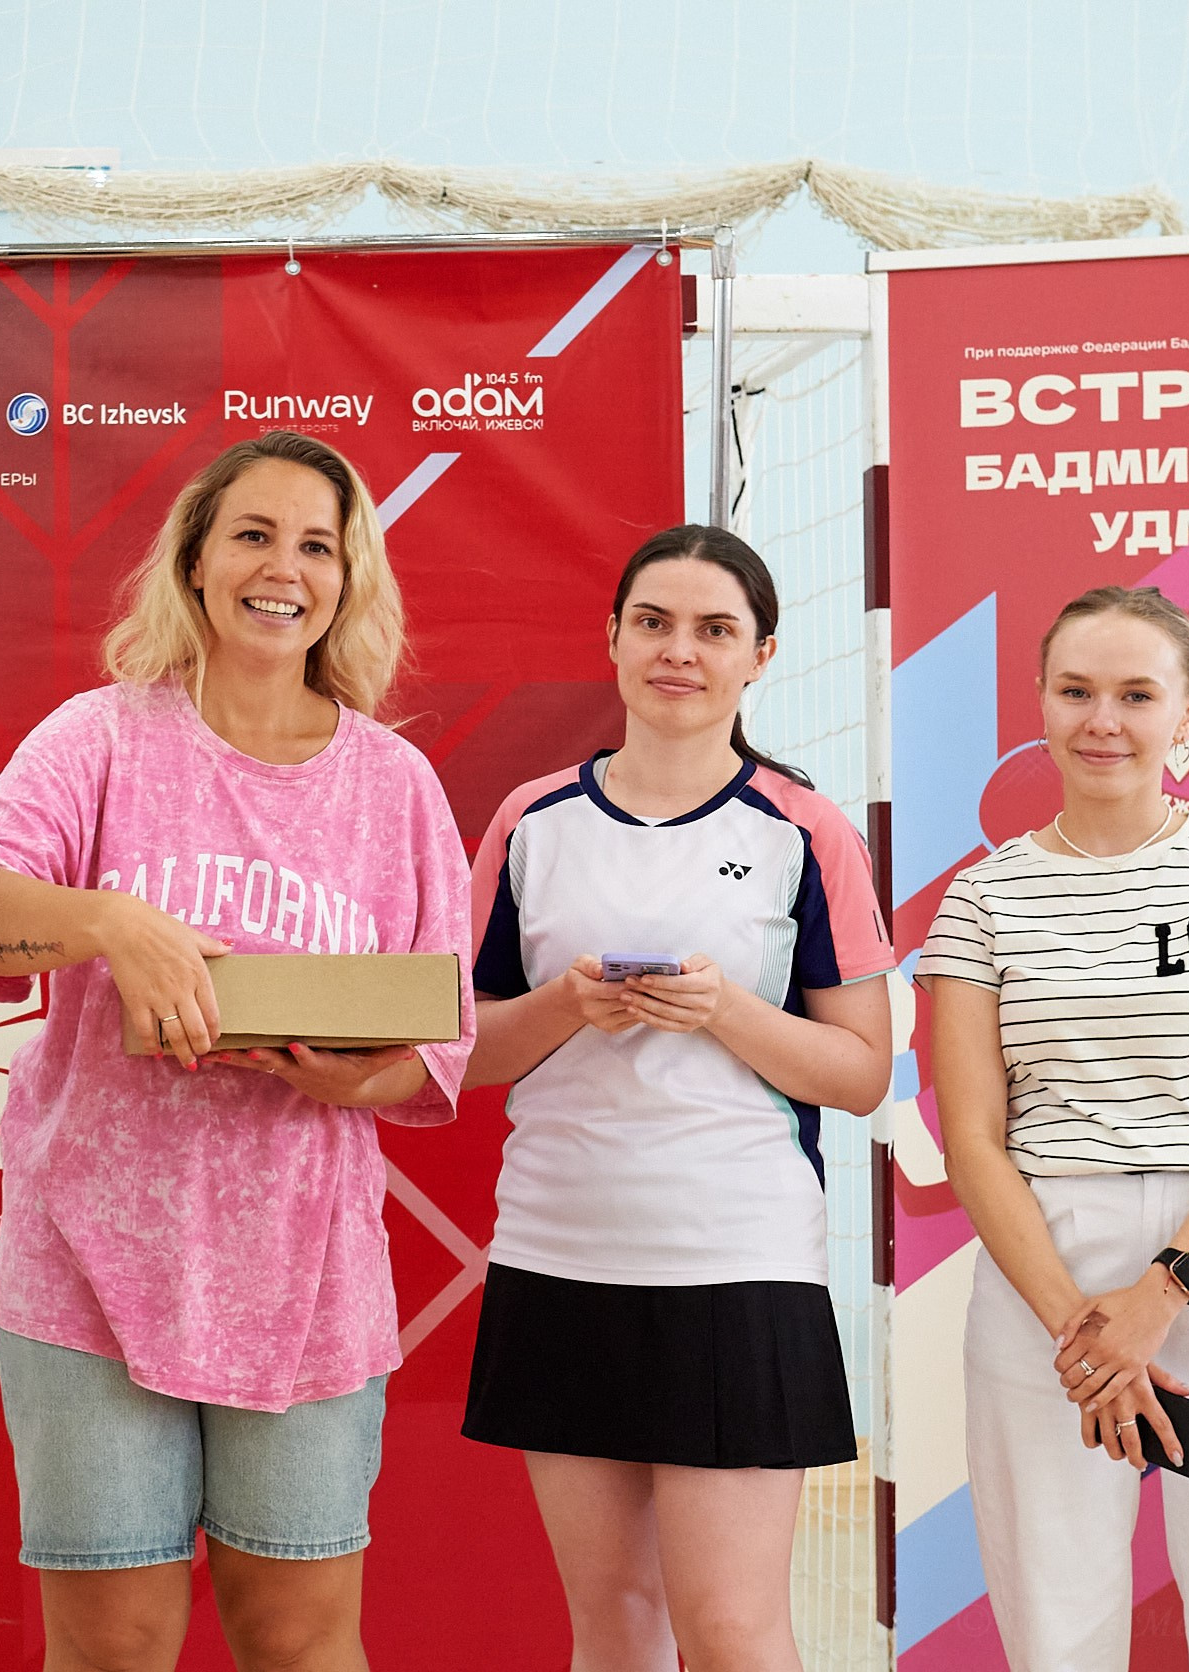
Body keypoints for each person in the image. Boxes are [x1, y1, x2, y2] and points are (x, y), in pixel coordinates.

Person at [0, 430, 473, 1672]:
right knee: (114, 1646)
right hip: (89, 1272)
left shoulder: (392, 787)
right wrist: (111, 923)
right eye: (253, 534)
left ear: (348, 580)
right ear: (194, 558)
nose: (283, 568)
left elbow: (435, 1047)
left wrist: (355, 1075)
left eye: (316, 545)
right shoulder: (100, 737)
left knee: (297, 1643)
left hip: (308, 1281)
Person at [459, 525, 894, 1672]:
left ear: (760, 656)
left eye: (713, 630)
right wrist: (566, 1005)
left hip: (738, 1262)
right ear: (610, 638)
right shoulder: (529, 821)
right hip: (559, 1254)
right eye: (652, 622)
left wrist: (724, 1013)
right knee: (613, 1625)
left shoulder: (807, 830)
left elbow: (861, 1074)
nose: (678, 651)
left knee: (733, 1631)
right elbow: (460, 1051)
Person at [918, 584, 1189, 1669]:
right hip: (1040, 1263)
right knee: (1057, 1626)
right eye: (1076, 690)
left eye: (1136, 694)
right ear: (1042, 703)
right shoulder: (981, 899)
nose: (1103, 719)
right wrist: (1080, 1329)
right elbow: (972, 1139)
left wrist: (1160, 1295)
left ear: (1188, 714)